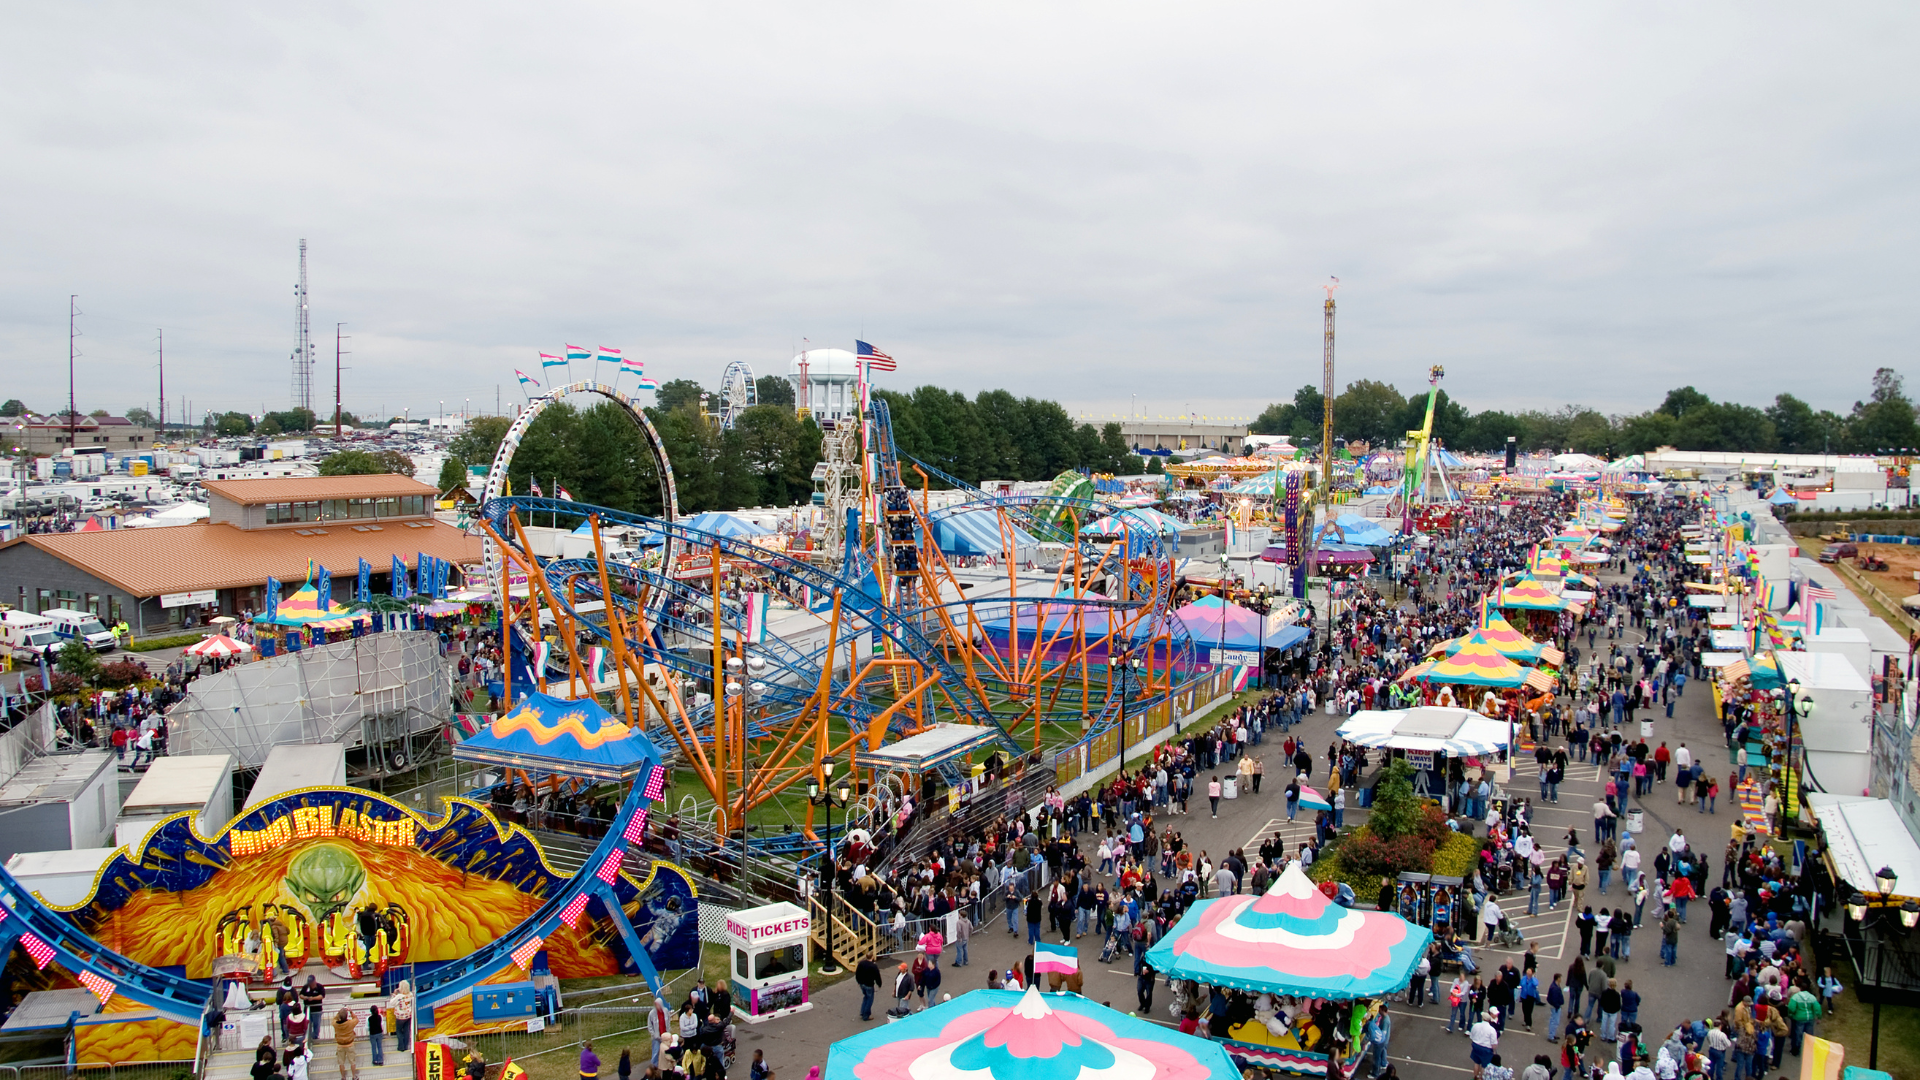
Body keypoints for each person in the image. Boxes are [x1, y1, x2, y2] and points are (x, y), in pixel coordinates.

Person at [332, 1008, 361, 1080]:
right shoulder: (350, 1023)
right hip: (350, 1044)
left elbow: (333, 1019)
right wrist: (351, 1011)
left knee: (341, 1063)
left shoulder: (335, 1024)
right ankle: (353, 1076)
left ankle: (343, 1077)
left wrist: (339, 1013)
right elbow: (356, 1019)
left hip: (340, 1045)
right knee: (352, 1062)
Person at [855, 954, 881, 1021]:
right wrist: (879, 984)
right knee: (869, 999)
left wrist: (858, 981)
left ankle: (862, 1012)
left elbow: (857, 973)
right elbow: (877, 976)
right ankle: (866, 1015)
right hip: (869, 984)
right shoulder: (873, 966)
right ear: (872, 957)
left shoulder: (861, 963)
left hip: (862, 984)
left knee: (865, 997)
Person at [389, 979, 414, 1048]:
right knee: (407, 1030)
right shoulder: (410, 995)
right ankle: (406, 1046)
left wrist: (394, 995)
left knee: (399, 1031)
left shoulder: (399, 996)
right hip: (408, 1015)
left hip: (400, 1017)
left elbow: (392, 1003)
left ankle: (401, 1046)